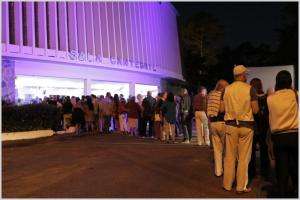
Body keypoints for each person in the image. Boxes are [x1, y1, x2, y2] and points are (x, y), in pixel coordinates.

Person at [221, 65, 259, 193]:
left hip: (230, 125)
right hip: (246, 126)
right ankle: (240, 186)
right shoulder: (250, 89)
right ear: (242, 75)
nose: (246, 77)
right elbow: (255, 110)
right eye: (245, 75)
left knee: (229, 156)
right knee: (243, 158)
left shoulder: (226, 89)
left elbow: (221, 109)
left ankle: (227, 184)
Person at [267, 70, 298, 197]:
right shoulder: (295, 94)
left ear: (277, 82)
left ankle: (282, 192)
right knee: (297, 165)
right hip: (296, 135)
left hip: (278, 137)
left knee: (281, 167)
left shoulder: (270, 98)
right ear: (290, 81)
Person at [248, 78, 270, 181]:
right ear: (261, 85)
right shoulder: (266, 97)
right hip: (264, 126)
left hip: (253, 126)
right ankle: (265, 172)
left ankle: (251, 172)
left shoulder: (250, 97)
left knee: (251, 151)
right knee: (264, 150)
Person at [207, 79, 228, 177]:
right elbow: (222, 109)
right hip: (222, 122)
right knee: (226, 149)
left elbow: (206, 108)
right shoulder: (223, 95)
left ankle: (218, 171)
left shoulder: (211, 95)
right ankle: (228, 170)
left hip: (213, 123)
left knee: (217, 149)